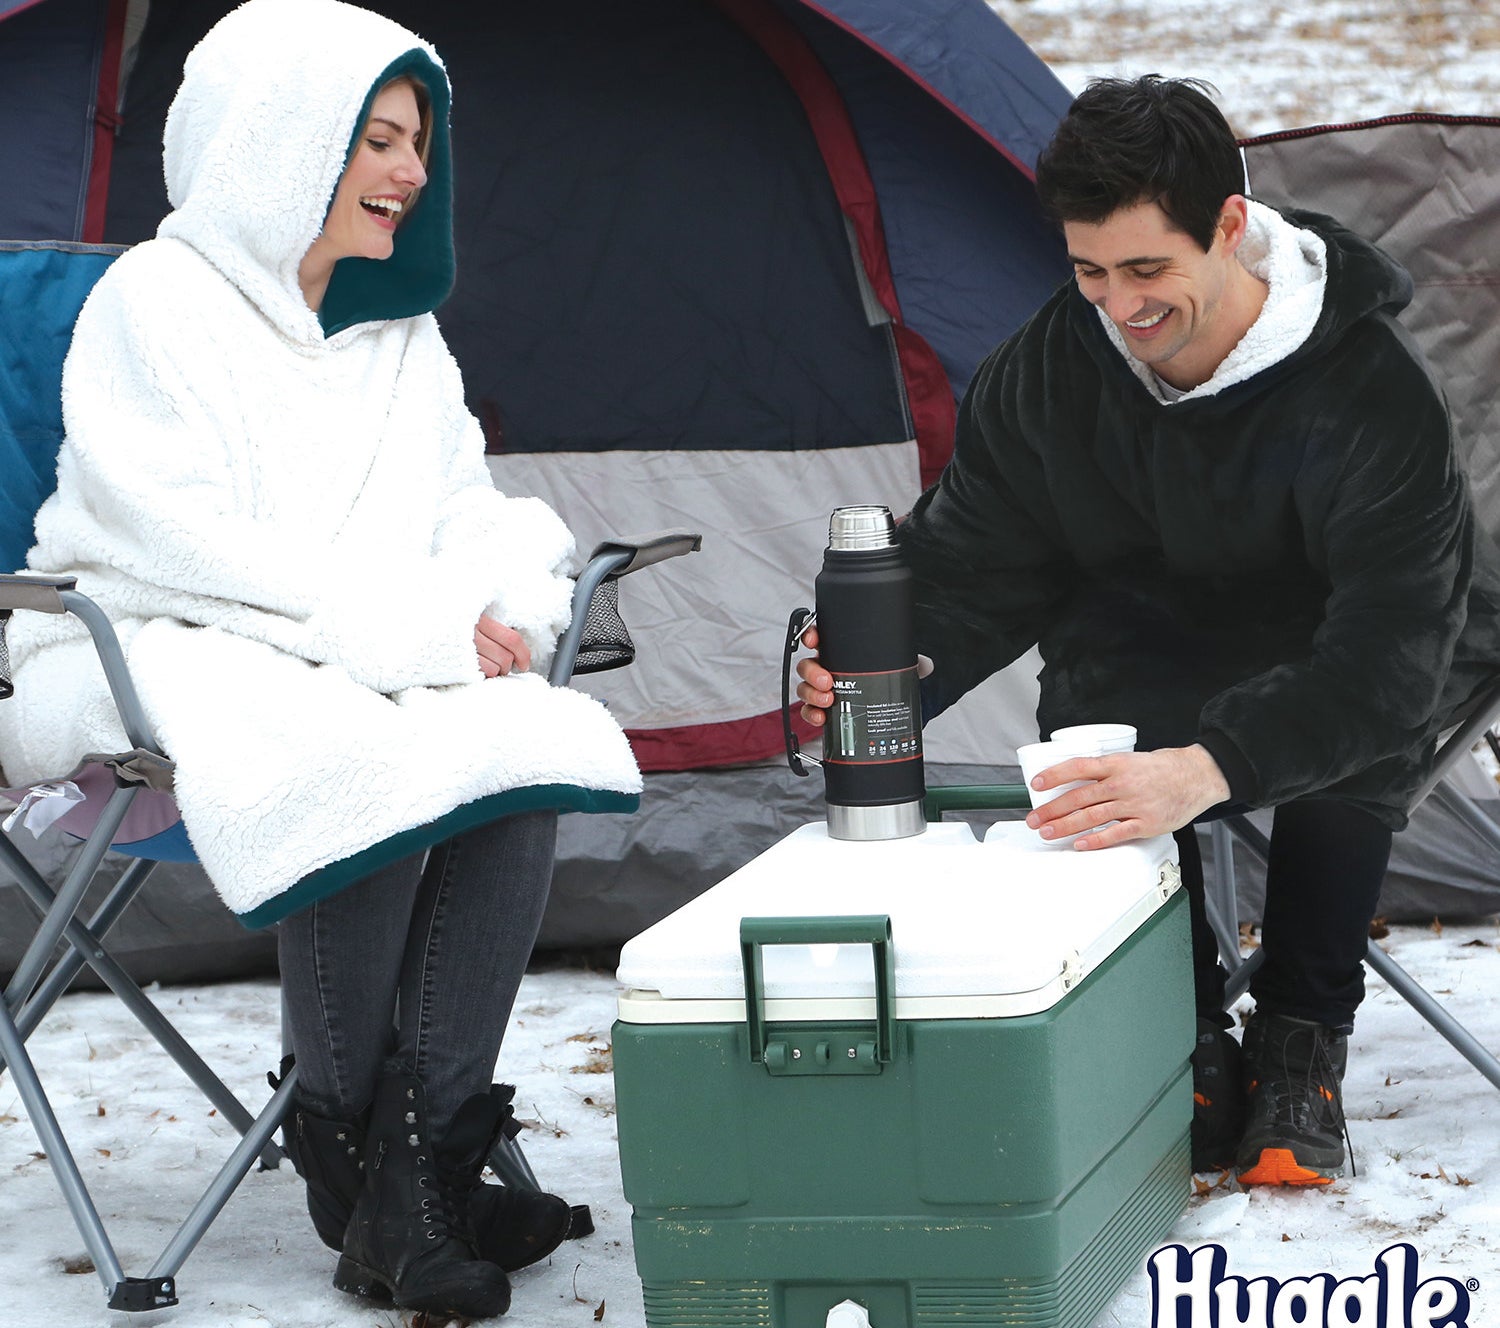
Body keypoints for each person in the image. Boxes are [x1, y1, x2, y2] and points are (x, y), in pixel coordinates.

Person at [0, 0, 643, 1318]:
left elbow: (465, 508)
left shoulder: (395, 335)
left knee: (515, 732)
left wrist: (504, 600)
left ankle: (413, 1163)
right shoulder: (156, 306)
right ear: (280, 139)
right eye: (381, 139)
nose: (416, 171)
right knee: (348, 742)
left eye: (420, 142)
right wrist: (406, 632)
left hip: (337, 657)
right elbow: (178, 541)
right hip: (147, 644)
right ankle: (368, 1160)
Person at [798, 75, 1500, 1188]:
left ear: (1228, 225)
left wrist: (1214, 764)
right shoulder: (1050, 370)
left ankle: (1300, 1035)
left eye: (1146, 269)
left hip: (1369, 637)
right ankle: (1179, 1032)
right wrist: (891, 671)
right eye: (1088, 271)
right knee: (1094, 726)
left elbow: (1390, 650)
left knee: (1344, 734)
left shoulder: (1367, 388)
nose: (1119, 304)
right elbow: (980, 560)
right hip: (1159, 624)